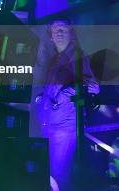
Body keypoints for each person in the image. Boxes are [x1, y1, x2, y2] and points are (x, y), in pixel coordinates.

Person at [34, 19, 99, 191]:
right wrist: (42, 98)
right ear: (51, 37)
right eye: (55, 30)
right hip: (50, 126)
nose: (59, 33)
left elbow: (93, 86)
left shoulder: (77, 56)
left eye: (62, 29)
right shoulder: (55, 60)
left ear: (70, 33)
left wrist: (64, 95)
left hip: (64, 128)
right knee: (52, 177)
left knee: (59, 177)